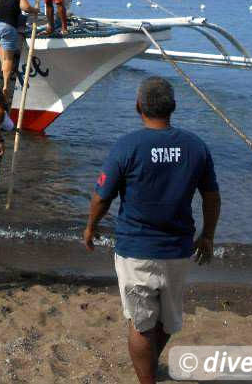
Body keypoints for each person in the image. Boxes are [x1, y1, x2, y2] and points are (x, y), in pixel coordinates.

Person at [82, 77, 221, 384]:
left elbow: (102, 196)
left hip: (136, 251)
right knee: (165, 321)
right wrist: (208, 235)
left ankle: (146, 377)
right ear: (172, 107)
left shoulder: (127, 146)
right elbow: (211, 196)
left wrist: (90, 226)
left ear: (138, 107)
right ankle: (149, 370)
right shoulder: (195, 146)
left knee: (143, 324)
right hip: (177, 250)